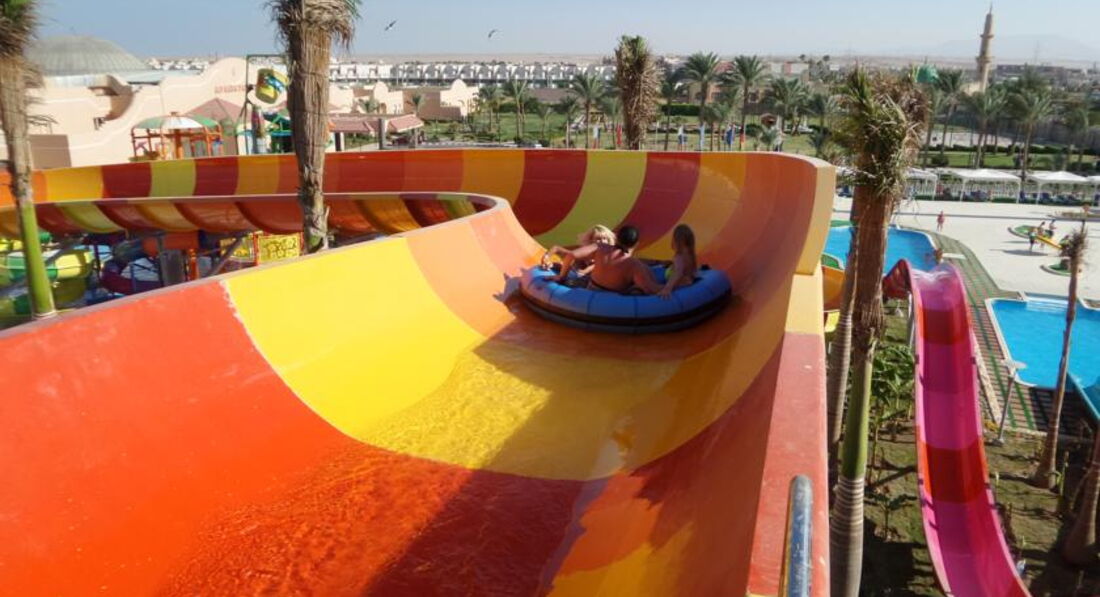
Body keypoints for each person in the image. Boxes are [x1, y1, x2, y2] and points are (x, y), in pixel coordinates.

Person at [555, 225, 659, 293]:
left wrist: (561, 276)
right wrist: (667, 287)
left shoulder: (600, 247)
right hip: (612, 300)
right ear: (636, 244)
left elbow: (571, 255)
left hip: (591, 291)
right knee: (637, 290)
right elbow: (649, 288)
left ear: (616, 237)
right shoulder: (634, 264)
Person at [540, 225, 615, 276]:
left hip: (587, 279)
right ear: (591, 240)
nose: (602, 241)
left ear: (608, 240)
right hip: (576, 275)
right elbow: (556, 248)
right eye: (598, 239)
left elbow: (593, 266)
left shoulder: (606, 257)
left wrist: (585, 271)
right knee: (560, 265)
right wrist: (546, 258)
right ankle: (550, 265)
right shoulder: (585, 253)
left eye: (604, 239)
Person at [657, 224, 699, 298]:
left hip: (672, 277)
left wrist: (667, 288)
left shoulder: (679, 257)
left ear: (676, 241)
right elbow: (692, 269)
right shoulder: (691, 254)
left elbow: (678, 273)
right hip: (685, 277)